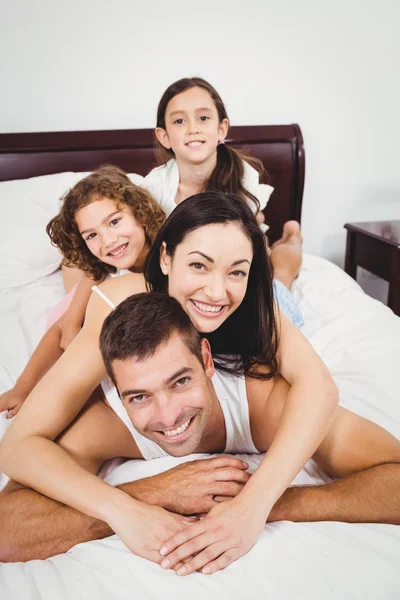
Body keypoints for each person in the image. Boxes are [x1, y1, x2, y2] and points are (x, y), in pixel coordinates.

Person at [0, 192, 338, 567]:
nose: (214, 290)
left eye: (235, 270)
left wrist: (254, 503)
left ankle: (291, 239)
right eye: (198, 266)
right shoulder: (124, 306)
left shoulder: (256, 306)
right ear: (165, 259)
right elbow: (18, 445)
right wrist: (122, 509)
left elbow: (319, 386)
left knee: (284, 275)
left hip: (269, 298)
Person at [1, 292, 399, 568]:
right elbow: (8, 527)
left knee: (282, 288)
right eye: (138, 397)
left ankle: (288, 250)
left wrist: (262, 505)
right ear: (117, 392)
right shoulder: (102, 425)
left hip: (267, 307)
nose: (168, 415)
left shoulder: (267, 404)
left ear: (206, 360)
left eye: (180, 382)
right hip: (118, 295)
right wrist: (149, 497)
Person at [0, 166, 165, 418]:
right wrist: (22, 389)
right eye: (92, 235)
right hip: (88, 291)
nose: (108, 240)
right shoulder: (101, 269)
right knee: (79, 291)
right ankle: (71, 259)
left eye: (115, 221)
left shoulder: (170, 258)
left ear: (140, 214)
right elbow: (63, 330)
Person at [142, 76, 303, 323]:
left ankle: (292, 237)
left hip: (236, 255)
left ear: (221, 129)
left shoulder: (242, 175)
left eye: (203, 118)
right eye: (179, 121)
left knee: (281, 273)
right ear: (164, 136)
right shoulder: (155, 188)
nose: (193, 128)